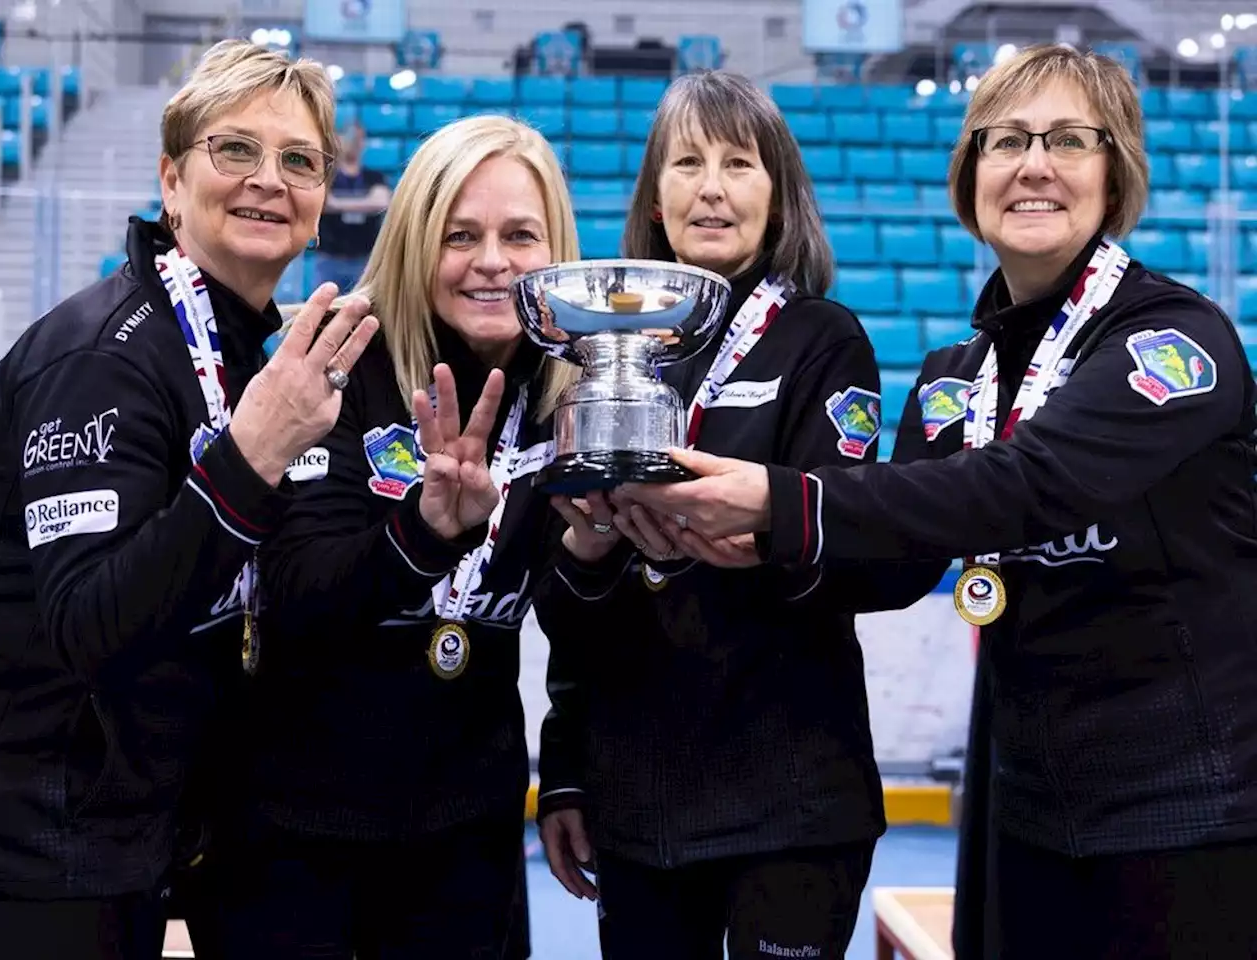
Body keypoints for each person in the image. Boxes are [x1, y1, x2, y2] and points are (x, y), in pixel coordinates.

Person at [620, 44, 1257, 960]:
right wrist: (725, 537)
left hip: (1189, 811)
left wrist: (781, 502)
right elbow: (892, 560)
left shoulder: (1173, 343)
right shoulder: (953, 381)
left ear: (1114, 177)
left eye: (1069, 140)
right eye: (1006, 142)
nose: (1033, 165)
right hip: (1027, 814)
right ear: (970, 178)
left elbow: (1031, 484)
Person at [531, 71, 946, 960]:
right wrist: (565, 771)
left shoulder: (823, 341)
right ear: (653, 195)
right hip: (639, 807)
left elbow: (852, 556)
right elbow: (568, 609)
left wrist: (753, 533)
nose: (711, 186)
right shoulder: (605, 356)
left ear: (779, 194)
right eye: (686, 162)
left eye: (738, 163)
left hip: (789, 800)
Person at [0, 39, 377, 960]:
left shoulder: (255, 353)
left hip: (143, 841)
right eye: (234, 150)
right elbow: (88, 626)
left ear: (321, 205)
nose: (267, 180)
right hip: (36, 857)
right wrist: (253, 454)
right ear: (170, 179)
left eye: (298, 161)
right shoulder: (99, 359)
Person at [214, 114, 578, 959]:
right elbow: (297, 593)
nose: (492, 261)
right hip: (296, 834)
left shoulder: (568, 396)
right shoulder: (334, 363)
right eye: (461, 235)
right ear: (415, 239)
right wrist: (421, 533)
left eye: (520, 235)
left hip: (467, 839)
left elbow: (591, 630)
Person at [314, 121, 390, 291]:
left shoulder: (374, 176)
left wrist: (339, 204)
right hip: (330, 259)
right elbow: (324, 203)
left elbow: (381, 202)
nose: (353, 142)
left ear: (363, 142)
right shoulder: (328, 175)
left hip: (364, 260)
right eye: (349, 137)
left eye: (358, 138)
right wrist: (364, 203)